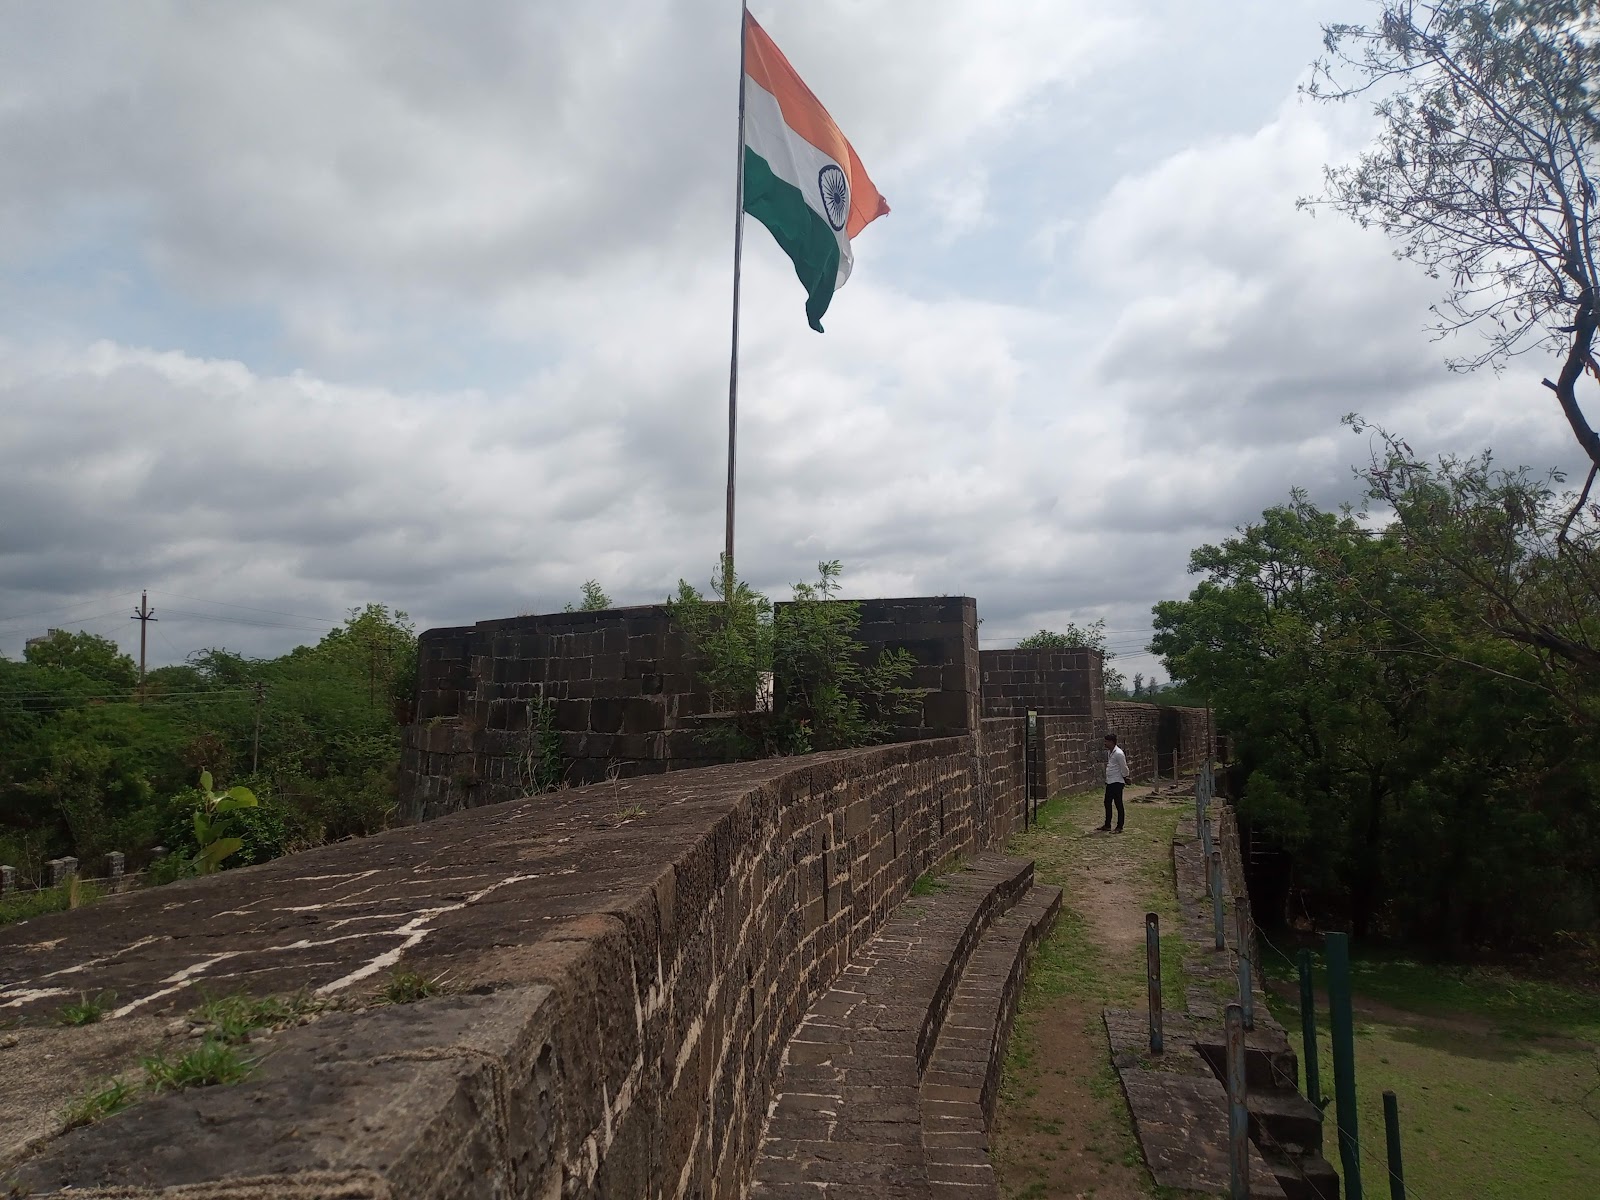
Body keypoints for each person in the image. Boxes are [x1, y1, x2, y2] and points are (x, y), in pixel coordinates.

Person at [1100, 733, 1128, 832]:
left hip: (1117, 781)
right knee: (1107, 802)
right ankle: (1107, 824)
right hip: (1110, 781)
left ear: (1111, 742)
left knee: (1118, 803)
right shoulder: (1110, 752)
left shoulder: (1119, 754)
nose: (1105, 743)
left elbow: (1123, 767)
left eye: (1106, 741)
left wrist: (1125, 777)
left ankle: (1120, 826)